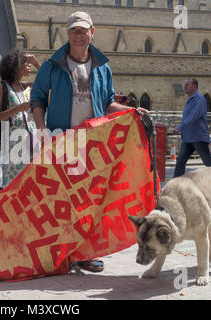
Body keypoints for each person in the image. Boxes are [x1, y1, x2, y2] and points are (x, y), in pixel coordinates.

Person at [30, 11, 148, 273]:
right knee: (61, 202)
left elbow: (107, 104)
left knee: (88, 201)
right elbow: (37, 100)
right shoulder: (52, 65)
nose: (79, 34)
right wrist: (42, 132)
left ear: (92, 32)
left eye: (83, 30)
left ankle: (83, 254)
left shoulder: (102, 67)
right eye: (74, 30)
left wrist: (131, 112)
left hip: (93, 144)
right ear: (67, 33)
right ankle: (62, 255)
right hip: (61, 140)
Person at [0, 49, 40, 187]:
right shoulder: (2, 87)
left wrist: (36, 62)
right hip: (12, 144)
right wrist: (17, 109)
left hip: (30, 142)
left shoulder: (24, 86)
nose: (28, 65)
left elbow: (48, 82)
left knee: (31, 184)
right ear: (15, 66)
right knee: (13, 185)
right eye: (25, 62)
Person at [172, 78, 211, 177]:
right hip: (188, 138)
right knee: (180, 161)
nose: (185, 86)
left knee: (208, 162)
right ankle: (176, 184)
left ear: (194, 86)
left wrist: (180, 127)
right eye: (185, 84)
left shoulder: (199, 99)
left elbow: (193, 116)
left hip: (198, 137)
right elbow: (188, 117)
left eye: (188, 84)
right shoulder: (190, 99)